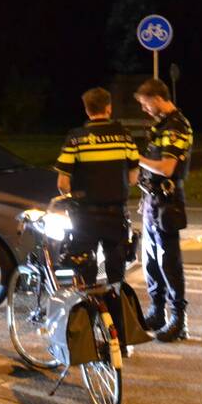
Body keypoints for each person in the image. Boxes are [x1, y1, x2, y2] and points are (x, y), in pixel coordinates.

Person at [55, 87, 140, 290]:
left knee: (86, 271)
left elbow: (62, 183)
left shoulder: (75, 138)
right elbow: (133, 178)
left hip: (85, 217)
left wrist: (71, 199)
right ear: (109, 108)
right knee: (116, 272)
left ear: (87, 110)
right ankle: (117, 314)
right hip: (116, 214)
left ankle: (91, 313)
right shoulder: (125, 136)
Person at [134, 78, 193, 342]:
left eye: (146, 104)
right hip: (152, 200)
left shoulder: (176, 126)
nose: (145, 109)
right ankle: (157, 312)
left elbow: (167, 168)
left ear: (158, 98)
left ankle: (178, 320)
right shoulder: (161, 126)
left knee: (169, 261)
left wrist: (137, 159)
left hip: (167, 202)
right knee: (150, 260)